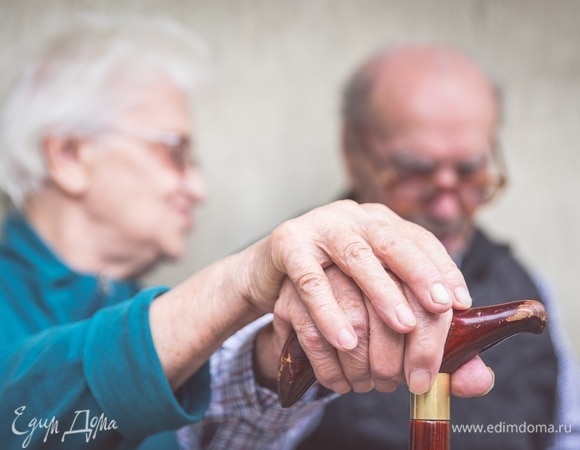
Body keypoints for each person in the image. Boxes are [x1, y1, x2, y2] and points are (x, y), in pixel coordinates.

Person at [0, 17, 494, 450]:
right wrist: (237, 281)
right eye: (175, 153)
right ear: (67, 156)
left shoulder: (143, 307)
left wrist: (289, 344)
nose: (198, 188)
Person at [294, 44, 580, 450]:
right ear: (352, 151)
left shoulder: (526, 284)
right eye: (415, 171)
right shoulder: (292, 285)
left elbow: (567, 433)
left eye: (470, 171)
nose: (447, 207)